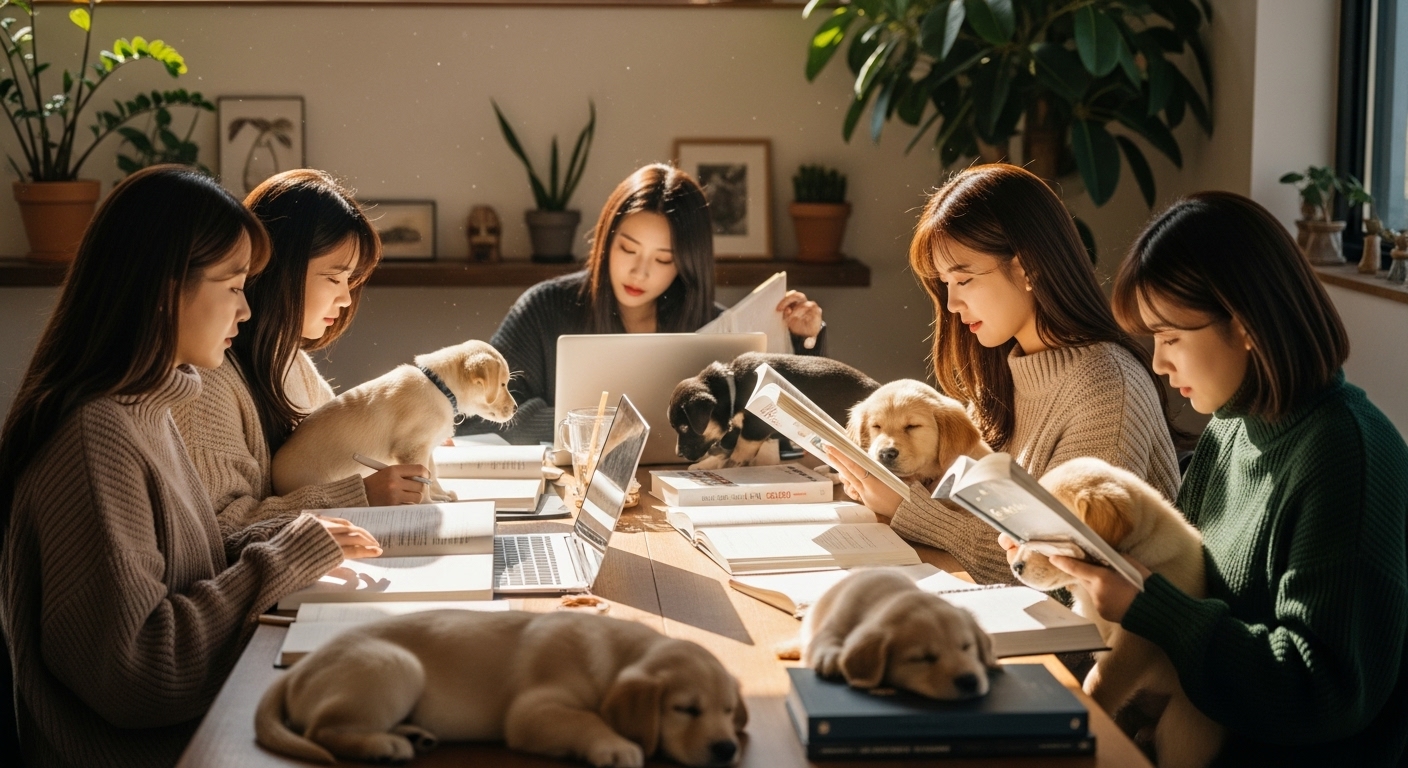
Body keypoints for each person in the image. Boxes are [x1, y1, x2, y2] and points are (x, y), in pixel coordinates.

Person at [0, 166, 381, 768]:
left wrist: (303, 540)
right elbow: (141, 673)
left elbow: (195, 567)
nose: (248, 311)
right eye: (232, 286)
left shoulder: (147, 410)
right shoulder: (96, 436)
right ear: (164, 288)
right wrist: (284, 555)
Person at [1022, 191, 1408, 765]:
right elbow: (1193, 584)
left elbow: (1321, 693)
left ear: (1246, 323)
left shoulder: (1344, 453)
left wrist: (1149, 608)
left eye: (1171, 337)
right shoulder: (1233, 424)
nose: (1157, 362)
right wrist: (1061, 554)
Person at [827, 164, 1180, 584]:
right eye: (944, 283)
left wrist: (906, 506)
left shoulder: (1106, 389)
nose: (952, 303)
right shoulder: (1003, 374)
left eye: (963, 278)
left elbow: (1061, 574)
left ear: (1027, 266)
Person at [465, 163, 826, 443]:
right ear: (607, 239)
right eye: (627, 249)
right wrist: (599, 428)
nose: (639, 271)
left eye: (664, 259)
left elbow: (788, 425)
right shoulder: (545, 307)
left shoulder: (713, 328)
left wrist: (803, 342)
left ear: (686, 265)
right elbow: (481, 413)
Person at [172, 170, 427, 549]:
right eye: (334, 278)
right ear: (282, 269)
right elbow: (223, 531)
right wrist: (357, 499)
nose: (344, 300)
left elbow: (342, 451)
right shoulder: (208, 384)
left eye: (350, 282)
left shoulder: (288, 360)